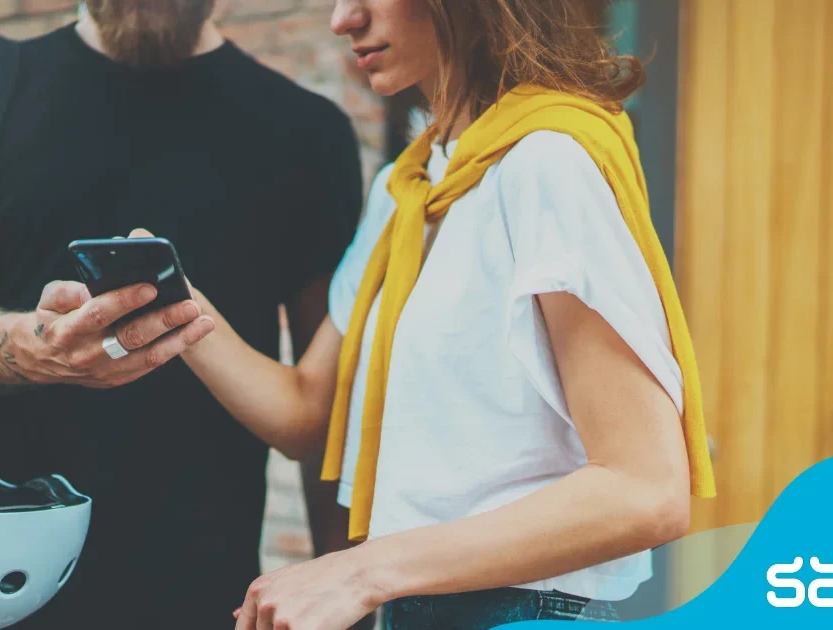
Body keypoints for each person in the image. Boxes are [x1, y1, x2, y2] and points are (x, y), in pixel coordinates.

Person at [174, 0, 718, 628]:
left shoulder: (547, 165)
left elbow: (644, 490)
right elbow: (306, 413)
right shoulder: (405, 194)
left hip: (528, 608)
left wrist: (360, 570)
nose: (342, 19)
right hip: (415, 605)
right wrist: (180, 313)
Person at [0, 1, 365, 627]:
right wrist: (32, 347)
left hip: (200, 599)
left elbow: (335, 419)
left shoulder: (308, 132)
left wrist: (344, 598)